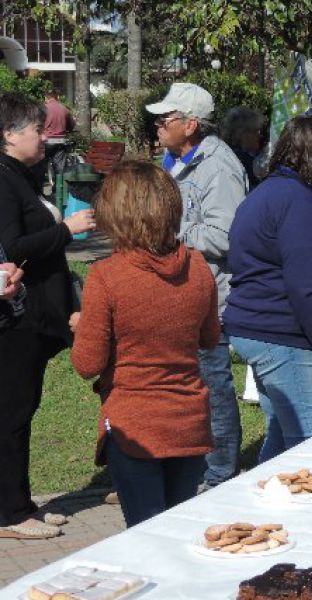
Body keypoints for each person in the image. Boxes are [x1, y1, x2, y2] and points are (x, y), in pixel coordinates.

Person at [70, 162, 220, 527]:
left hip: (135, 424)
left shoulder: (107, 276)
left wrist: (82, 325)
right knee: (175, 530)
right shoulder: (198, 265)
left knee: (145, 535)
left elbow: (87, 363)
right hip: (188, 421)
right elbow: (209, 338)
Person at [224, 115, 312, 462]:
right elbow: (305, 288)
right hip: (279, 333)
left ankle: (256, 509)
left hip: (258, 327)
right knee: (309, 449)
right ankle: (298, 516)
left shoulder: (272, 191)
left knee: (281, 438)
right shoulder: (296, 202)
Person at [0, 92, 93, 539]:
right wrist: (66, 231)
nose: (44, 136)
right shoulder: (3, 179)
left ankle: (21, 504)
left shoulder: (19, 175)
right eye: (37, 129)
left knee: (21, 410)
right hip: (17, 319)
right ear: (9, 134)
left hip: (32, 318)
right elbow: (15, 247)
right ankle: (12, 514)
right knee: (13, 413)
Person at [146, 82, 247, 490]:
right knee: (188, 383)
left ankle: (221, 472)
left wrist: (168, 231)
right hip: (179, 290)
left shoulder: (217, 166)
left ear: (190, 125)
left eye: (164, 120)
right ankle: (193, 463)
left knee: (212, 384)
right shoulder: (174, 158)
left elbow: (226, 235)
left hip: (210, 295)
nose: (157, 126)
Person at [221, 107, 267, 190]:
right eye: (256, 131)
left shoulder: (226, 153)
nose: (259, 135)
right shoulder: (239, 161)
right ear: (241, 134)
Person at [40, 89, 74, 187]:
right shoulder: (64, 109)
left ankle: (39, 190)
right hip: (60, 141)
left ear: (46, 98)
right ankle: (58, 191)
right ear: (57, 97)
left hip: (47, 141)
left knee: (40, 166)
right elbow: (71, 125)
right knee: (60, 168)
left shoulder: (43, 108)